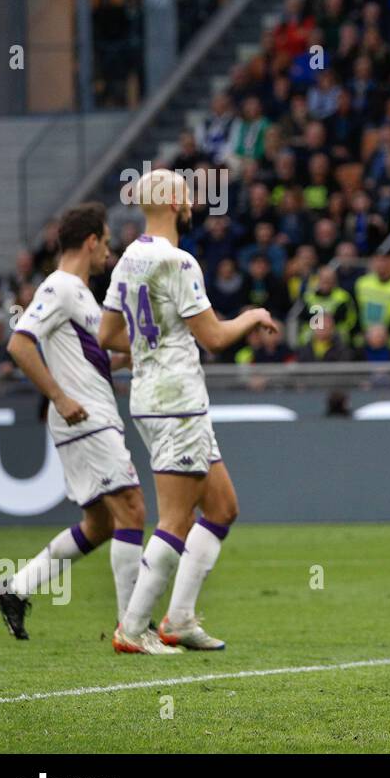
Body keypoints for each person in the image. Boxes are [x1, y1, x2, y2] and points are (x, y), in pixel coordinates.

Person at [98, 169, 277, 654]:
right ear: (176, 203)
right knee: (175, 519)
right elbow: (215, 338)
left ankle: (178, 619)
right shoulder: (178, 262)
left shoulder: (130, 258)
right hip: (177, 403)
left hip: (152, 399)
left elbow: (108, 336)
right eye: (187, 194)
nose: (194, 201)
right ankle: (132, 629)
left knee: (222, 507)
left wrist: (149, 344)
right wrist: (254, 316)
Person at [0, 204, 148, 640]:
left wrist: (126, 358)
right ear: (91, 241)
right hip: (86, 418)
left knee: (101, 525)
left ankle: (14, 588)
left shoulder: (82, 296)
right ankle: (132, 628)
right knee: (133, 509)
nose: (109, 253)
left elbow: (87, 360)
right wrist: (58, 397)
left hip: (94, 415)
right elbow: (20, 344)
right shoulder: (59, 287)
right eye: (106, 241)